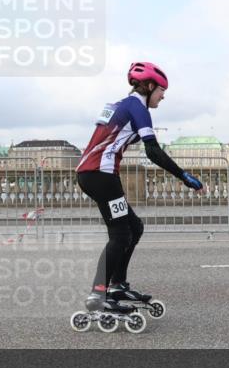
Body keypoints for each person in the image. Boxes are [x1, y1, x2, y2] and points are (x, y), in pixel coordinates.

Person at [75, 61, 203, 314]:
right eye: (161, 91)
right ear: (150, 85)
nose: (163, 96)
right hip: (100, 175)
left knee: (134, 227)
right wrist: (183, 176)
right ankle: (98, 294)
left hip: (96, 174)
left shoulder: (122, 105)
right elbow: (153, 151)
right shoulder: (137, 107)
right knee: (120, 235)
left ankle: (117, 285)